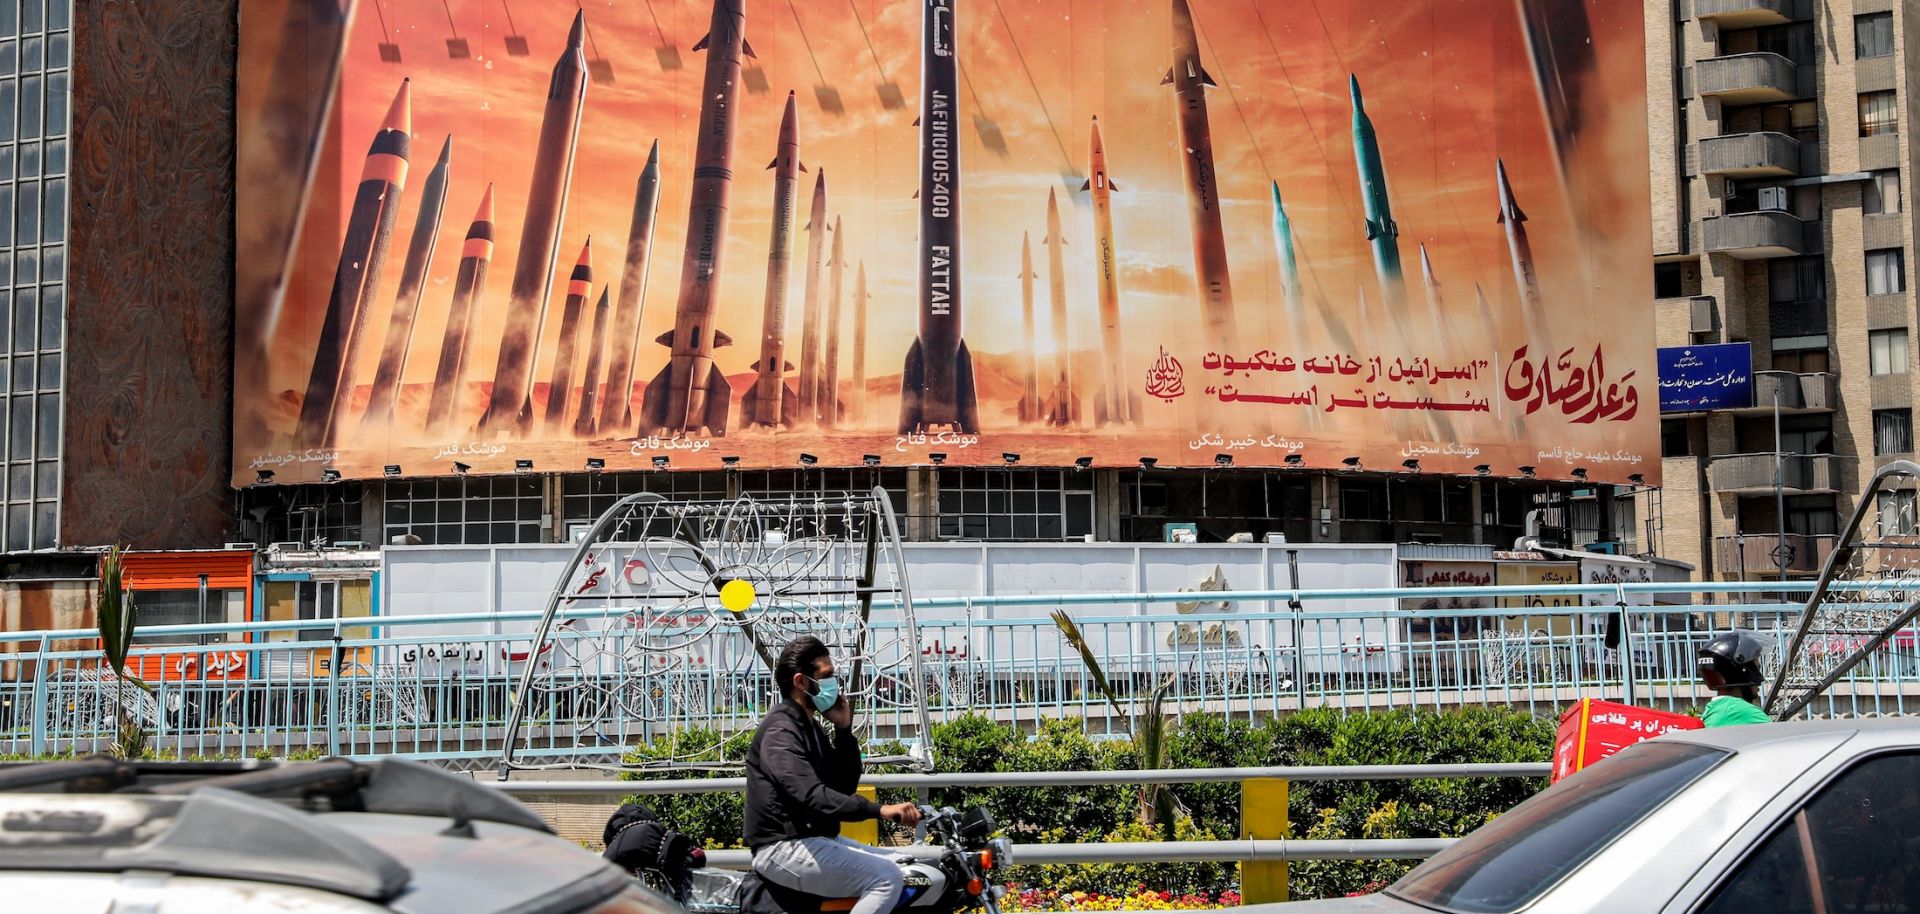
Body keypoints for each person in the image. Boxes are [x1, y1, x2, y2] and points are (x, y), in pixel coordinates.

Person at [745, 637, 922, 914]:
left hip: (815, 839)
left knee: (906, 863)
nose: (834, 684)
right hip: (782, 848)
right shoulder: (781, 731)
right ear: (801, 682)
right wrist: (881, 810)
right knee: (885, 878)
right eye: (826, 676)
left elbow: (841, 787)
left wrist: (843, 730)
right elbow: (811, 795)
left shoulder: (809, 727)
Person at [1696, 631, 1773, 728]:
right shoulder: (1742, 711)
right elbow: (1780, 738)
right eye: (1756, 668)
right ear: (1741, 672)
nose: (1760, 678)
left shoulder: (1714, 708)